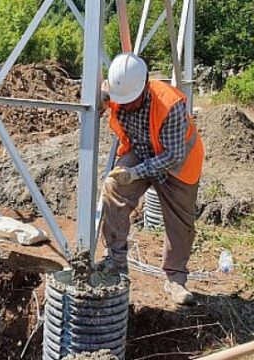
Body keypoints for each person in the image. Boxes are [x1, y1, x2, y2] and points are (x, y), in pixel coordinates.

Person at [99, 53, 204, 305]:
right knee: (113, 187)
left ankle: (175, 279)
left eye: (130, 101)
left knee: (180, 223)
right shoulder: (115, 91)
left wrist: (135, 173)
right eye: (119, 100)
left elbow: (173, 155)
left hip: (178, 161)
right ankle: (115, 261)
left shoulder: (170, 104)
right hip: (141, 149)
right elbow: (100, 98)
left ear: (145, 86)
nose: (124, 106)